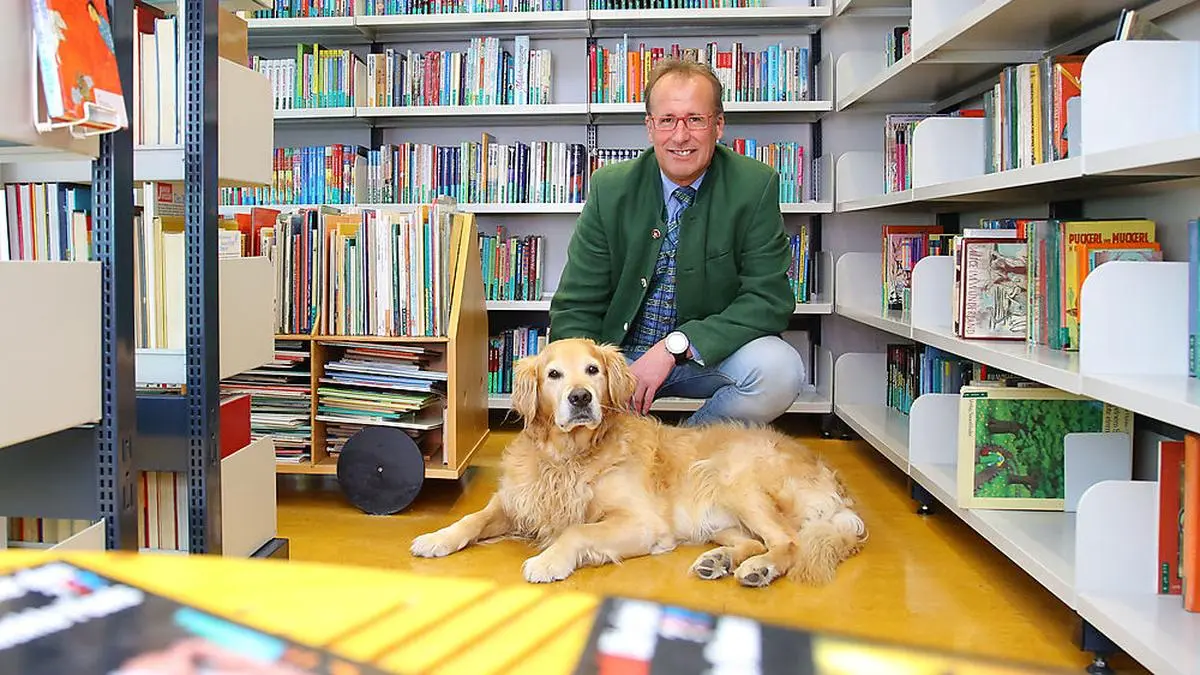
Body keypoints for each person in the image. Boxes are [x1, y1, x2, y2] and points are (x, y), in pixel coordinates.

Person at [547, 57, 806, 427]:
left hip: (705, 356)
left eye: (695, 120)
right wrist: (588, 377)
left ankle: (692, 449)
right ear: (650, 127)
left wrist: (676, 346)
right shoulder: (610, 187)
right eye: (667, 120)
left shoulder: (755, 185)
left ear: (718, 126)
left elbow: (769, 300)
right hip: (619, 364)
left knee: (779, 370)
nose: (680, 136)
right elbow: (576, 305)